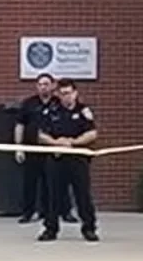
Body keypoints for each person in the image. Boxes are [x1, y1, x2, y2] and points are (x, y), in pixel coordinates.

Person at [35, 79, 99, 242]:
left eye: (68, 93)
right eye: (62, 94)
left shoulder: (83, 111)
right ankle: (50, 229)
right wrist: (57, 143)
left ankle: (89, 228)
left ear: (75, 93)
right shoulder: (51, 111)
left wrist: (72, 143)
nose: (66, 97)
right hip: (57, 160)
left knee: (82, 195)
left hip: (78, 160)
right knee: (53, 196)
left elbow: (92, 134)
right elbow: (41, 135)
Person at [12, 74, 75, 224]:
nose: (43, 87)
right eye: (40, 84)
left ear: (53, 86)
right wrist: (18, 147)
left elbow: (66, 123)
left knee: (58, 182)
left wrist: (64, 145)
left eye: (46, 84)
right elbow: (20, 125)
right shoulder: (29, 103)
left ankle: (64, 212)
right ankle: (28, 213)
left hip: (53, 150)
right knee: (30, 183)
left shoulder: (58, 103)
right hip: (32, 149)